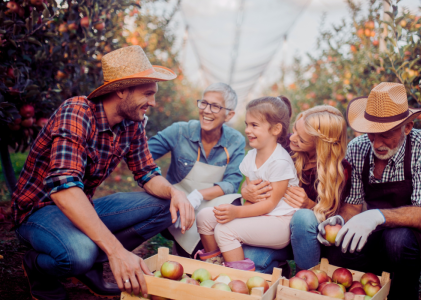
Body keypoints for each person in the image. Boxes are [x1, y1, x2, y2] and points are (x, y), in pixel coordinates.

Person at [11, 46, 195, 300]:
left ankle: (91, 264)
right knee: (78, 254)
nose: (153, 102)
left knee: (167, 206)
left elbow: (148, 173)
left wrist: (175, 191)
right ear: (121, 90)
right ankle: (37, 267)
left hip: (80, 205)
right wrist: (116, 251)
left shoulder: (133, 123)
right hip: (40, 211)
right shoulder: (77, 112)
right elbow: (64, 192)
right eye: (148, 94)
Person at [317, 82, 421, 299]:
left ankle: (402, 292)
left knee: (396, 241)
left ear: (407, 127)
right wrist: (340, 222)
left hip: (418, 233)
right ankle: (366, 288)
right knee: (338, 247)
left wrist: (376, 215)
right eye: (371, 133)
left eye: (386, 134)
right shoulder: (359, 147)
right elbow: (353, 204)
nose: (376, 142)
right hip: (377, 229)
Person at [241, 105, 351, 274]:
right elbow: (253, 173)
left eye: (302, 140)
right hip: (277, 230)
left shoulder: (338, 172)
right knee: (252, 259)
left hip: (308, 238)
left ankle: (305, 276)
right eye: (295, 130)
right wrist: (246, 189)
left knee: (303, 218)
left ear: (320, 146)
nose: (293, 139)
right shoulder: (283, 151)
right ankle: (281, 272)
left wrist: (309, 205)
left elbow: (335, 220)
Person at [195, 96, 298, 270]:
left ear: (276, 129)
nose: (248, 130)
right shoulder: (251, 157)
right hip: (258, 215)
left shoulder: (280, 162)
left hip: (280, 222)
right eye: (247, 124)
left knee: (225, 230)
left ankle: (238, 280)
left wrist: (236, 212)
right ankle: (217, 265)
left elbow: (270, 204)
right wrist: (241, 205)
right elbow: (251, 195)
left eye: (254, 125)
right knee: (204, 217)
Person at [147, 82, 245, 257]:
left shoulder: (235, 141)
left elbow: (232, 183)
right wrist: (164, 188)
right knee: (190, 253)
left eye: (215, 106)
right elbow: (142, 156)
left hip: (211, 208)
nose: (206, 110)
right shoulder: (179, 132)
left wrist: (198, 195)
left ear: (229, 115)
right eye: (204, 103)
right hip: (177, 207)